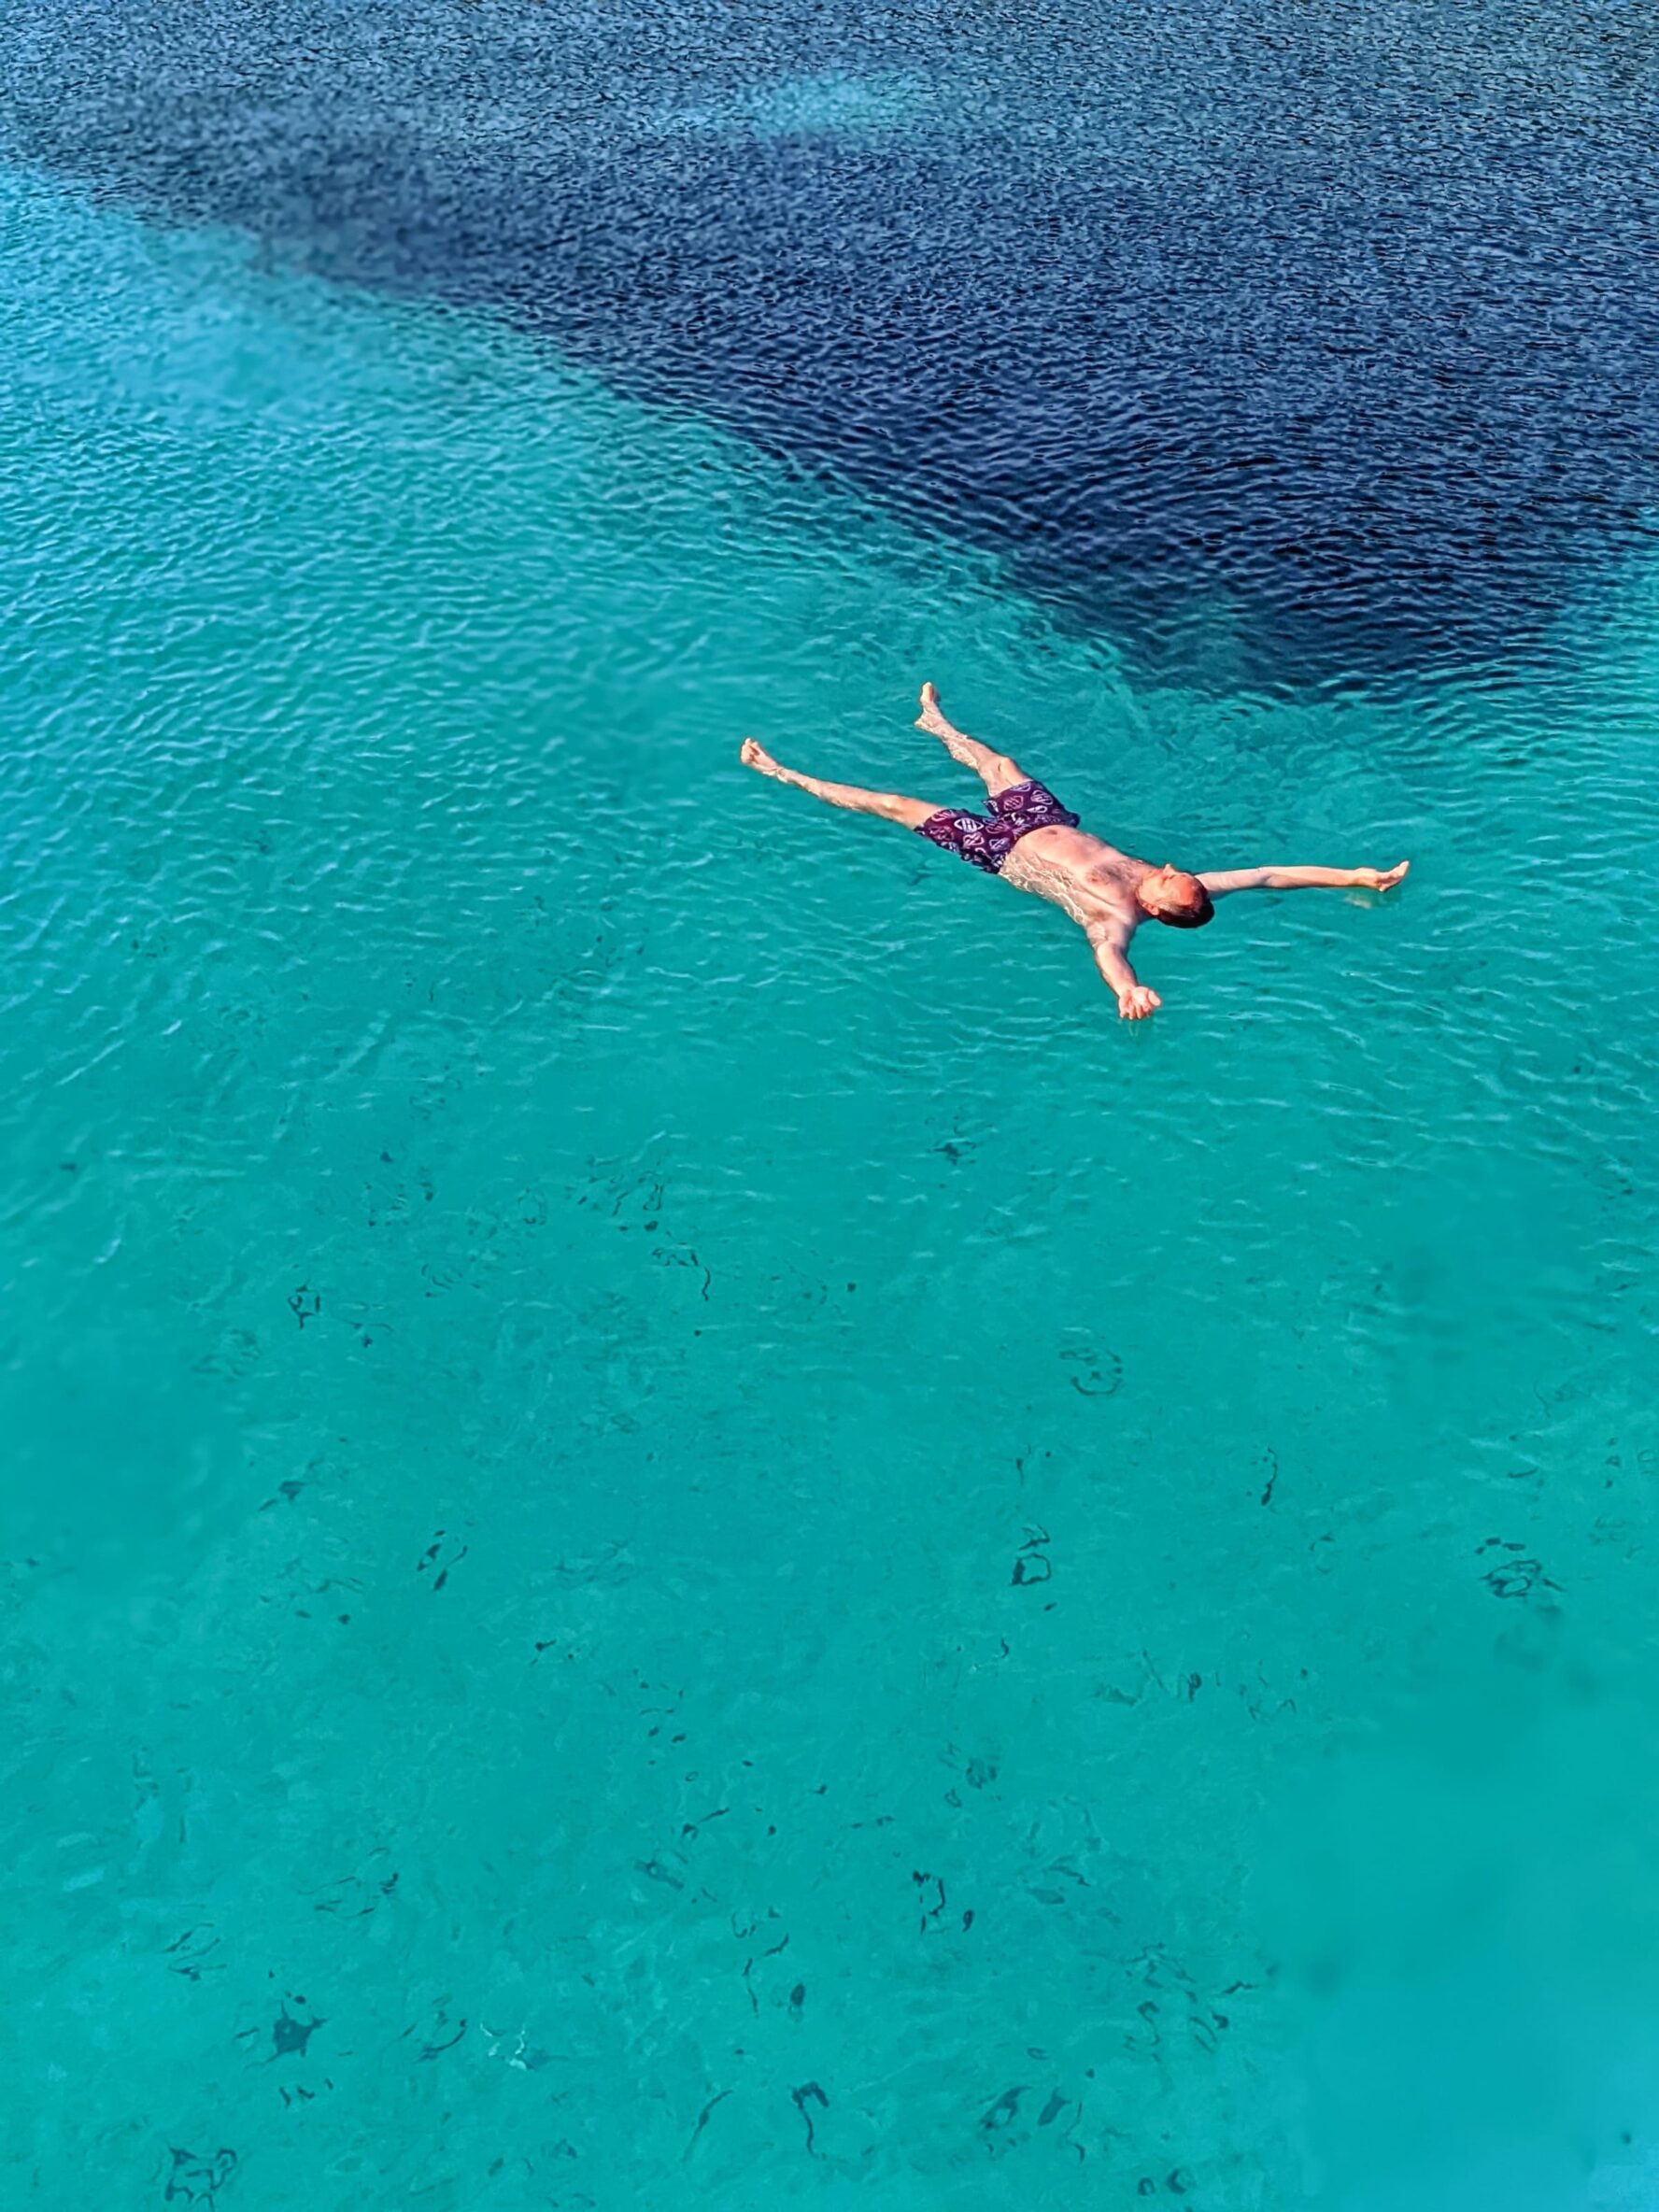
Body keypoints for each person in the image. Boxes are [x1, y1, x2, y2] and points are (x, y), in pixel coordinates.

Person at [741, 684, 1410, 1019]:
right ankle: (935, 721)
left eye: (1167, 880)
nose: (1171, 868)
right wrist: (1354, 874)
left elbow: (1109, 956)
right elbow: (1270, 874)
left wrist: (1131, 990)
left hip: (1001, 851)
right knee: (997, 761)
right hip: (1045, 818)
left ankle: (779, 773)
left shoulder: (1117, 915)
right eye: (1177, 873)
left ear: (1158, 907)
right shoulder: (1180, 883)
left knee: (893, 804)